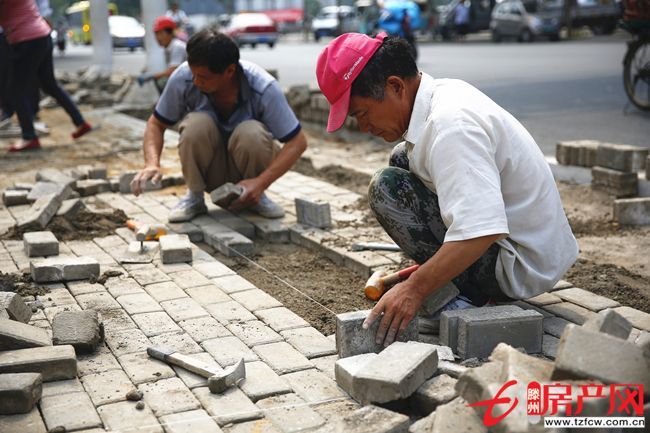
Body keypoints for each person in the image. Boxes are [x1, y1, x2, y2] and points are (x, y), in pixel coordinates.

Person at [316, 33, 578, 346]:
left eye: (361, 113)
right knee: (402, 159)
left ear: (396, 86)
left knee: (387, 189)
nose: (363, 127)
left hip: (519, 265)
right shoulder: (440, 94)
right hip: (522, 243)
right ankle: (450, 276)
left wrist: (415, 289)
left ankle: (462, 303)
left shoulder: (451, 126)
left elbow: (481, 230)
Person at [131, 30, 308, 223]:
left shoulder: (263, 87)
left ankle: (255, 196)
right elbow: (156, 123)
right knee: (195, 125)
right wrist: (152, 163)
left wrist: (260, 182)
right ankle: (195, 197)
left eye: (203, 77)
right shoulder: (183, 77)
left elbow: (298, 142)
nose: (196, 82)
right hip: (210, 170)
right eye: (194, 74)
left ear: (230, 71)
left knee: (251, 132)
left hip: (247, 171)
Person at [0, 0, 92, 152]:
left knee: (15, 89)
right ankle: (81, 123)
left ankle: (29, 137)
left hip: (26, 40)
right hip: (42, 35)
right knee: (49, 84)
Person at [138, 16, 187, 93]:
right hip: (183, 80)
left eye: (161, 33)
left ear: (170, 33)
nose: (158, 37)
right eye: (156, 34)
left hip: (189, 82)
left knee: (162, 81)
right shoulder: (169, 47)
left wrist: (152, 76)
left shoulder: (177, 46)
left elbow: (173, 71)